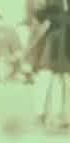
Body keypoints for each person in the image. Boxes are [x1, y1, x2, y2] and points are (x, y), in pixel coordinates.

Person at [30, 0, 70, 128]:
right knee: (46, 77)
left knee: (61, 80)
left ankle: (59, 115)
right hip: (55, 42)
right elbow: (39, 14)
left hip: (65, 42)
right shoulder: (52, 6)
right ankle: (41, 113)